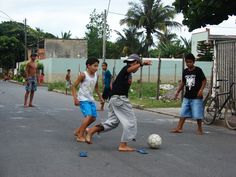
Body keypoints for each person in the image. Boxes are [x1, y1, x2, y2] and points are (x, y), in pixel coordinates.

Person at [85, 54, 152, 152]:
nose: (134, 67)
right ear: (135, 63)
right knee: (130, 121)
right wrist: (142, 64)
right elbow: (129, 69)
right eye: (134, 64)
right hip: (119, 99)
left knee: (113, 122)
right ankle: (123, 145)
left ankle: (92, 131)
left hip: (114, 99)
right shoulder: (126, 69)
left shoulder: (127, 73)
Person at [171, 53, 207, 135]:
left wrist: (201, 90)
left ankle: (200, 129)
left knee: (198, 114)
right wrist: (177, 92)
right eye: (187, 62)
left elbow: (204, 81)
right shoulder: (185, 71)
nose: (188, 64)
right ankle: (179, 128)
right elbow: (183, 82)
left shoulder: (198, 70)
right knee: (183, 112)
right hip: (187, 96)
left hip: (196, 97)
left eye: (190, 62)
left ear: (193, 62)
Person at [72, 57, 104, 142]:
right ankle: (80, 136)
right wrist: (75, 99)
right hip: (82, 99)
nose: (96, 68)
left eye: (97, 66)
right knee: (88, 116)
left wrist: (101, 98)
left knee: (93, 118)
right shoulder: (83, 75)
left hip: (90, 99)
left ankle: (78, 131)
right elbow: (74, 86)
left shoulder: (96, 75)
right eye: (95, 66)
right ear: (88, 66)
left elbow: (96, 88)